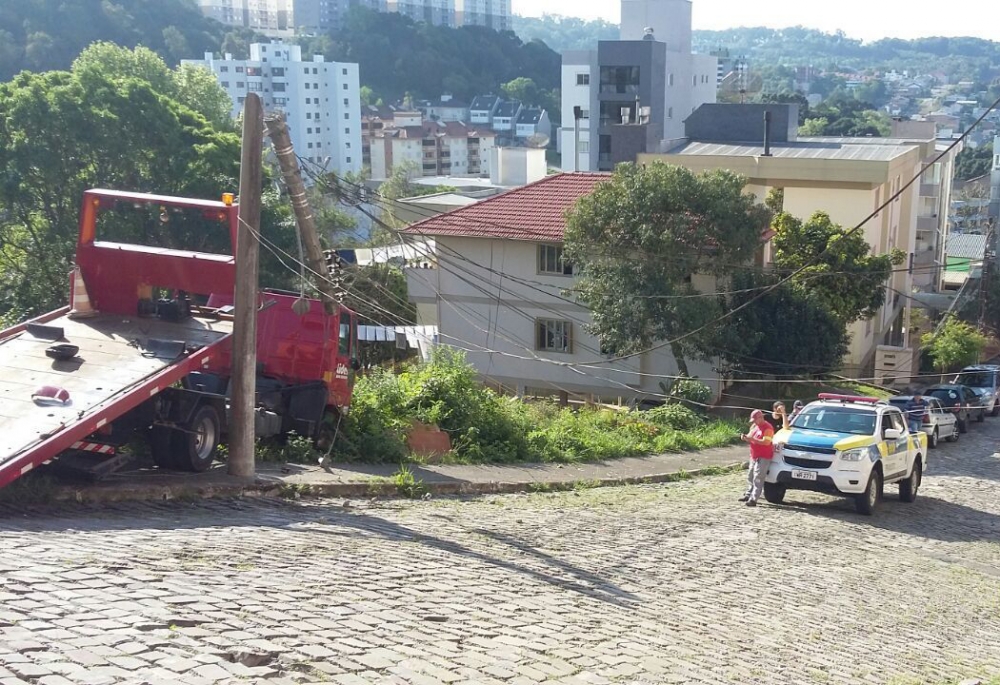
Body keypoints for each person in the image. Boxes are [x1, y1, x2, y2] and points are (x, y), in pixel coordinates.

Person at [740, 409, 775, 507]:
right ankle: (748, 494)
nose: (754, 422)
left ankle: (753, 499)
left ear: (760, 418)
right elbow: (750, 437)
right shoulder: (755, 426)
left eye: (755, 420)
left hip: (763, 457)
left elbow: (766, 442)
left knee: (758, 477)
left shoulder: (768, 428)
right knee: (750, 476)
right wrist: (746, 437)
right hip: (754, 456)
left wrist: (752, 439)